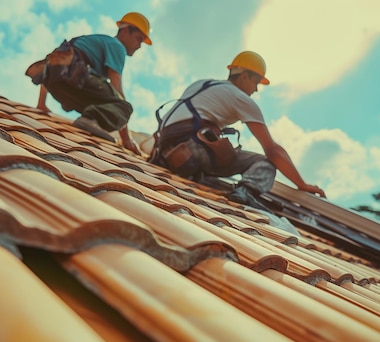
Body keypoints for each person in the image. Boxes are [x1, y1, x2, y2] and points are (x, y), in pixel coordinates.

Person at [150, 51, 326, 210]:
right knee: (266, 163)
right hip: (192, 150)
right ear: (244, 76)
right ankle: (246, 193)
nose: (256, 89)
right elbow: (273, 151)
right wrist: (302, 184)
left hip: (164, 151)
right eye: (256, 82)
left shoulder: (202, 84)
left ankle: (200, 174)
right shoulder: (241, 98)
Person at [34, 12, 152, 155]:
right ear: (126, 31)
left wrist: (41, 104)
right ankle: (90, 119)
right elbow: (117, 91)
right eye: (138, 39)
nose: (139, 46)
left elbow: (55, 65)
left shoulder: (98, 44)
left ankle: (89, 117)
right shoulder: (117, 46)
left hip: (54, 81)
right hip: (75, 77)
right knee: (124, 107)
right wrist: (126, 139)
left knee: (104, 105)